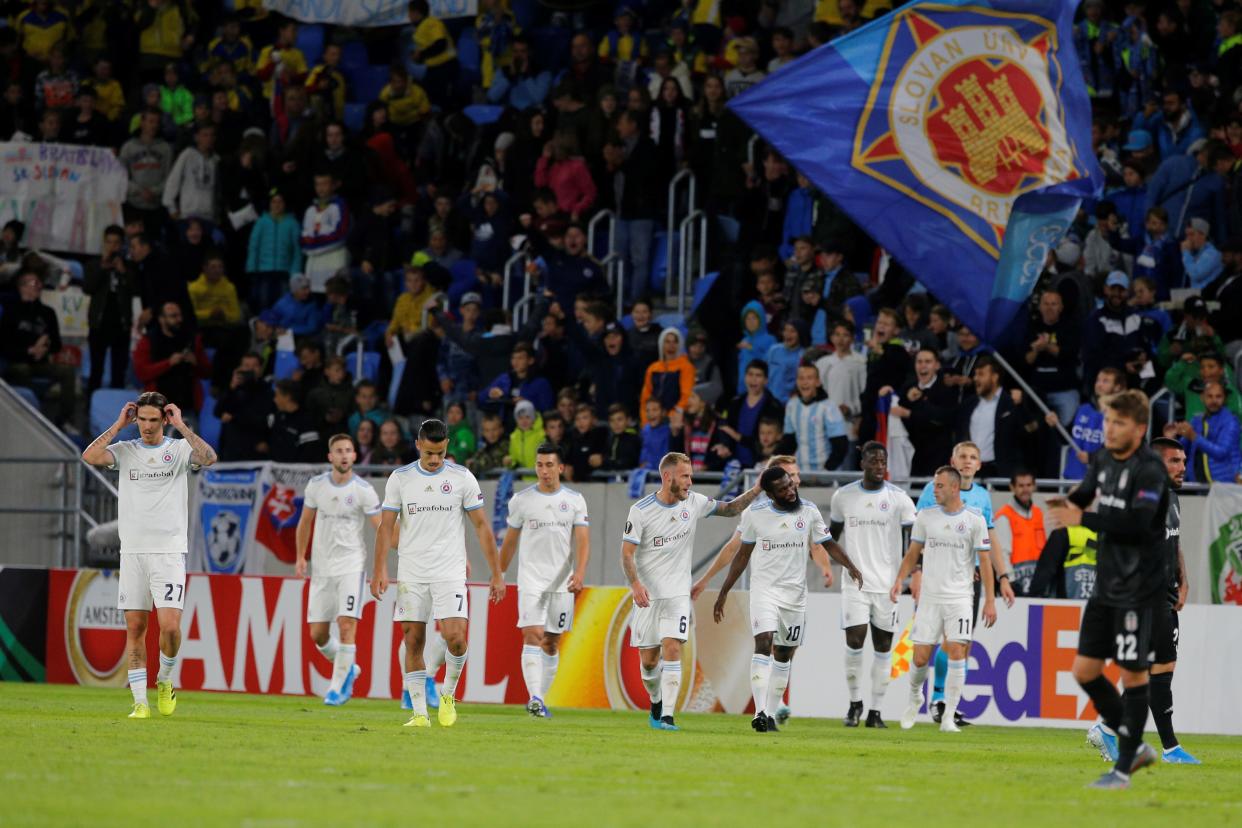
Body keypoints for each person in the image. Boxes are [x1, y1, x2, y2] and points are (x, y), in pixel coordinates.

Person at [1047, 390, 1169, 788]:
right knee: (1084, 671)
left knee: (1133, 676)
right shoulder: (1100, 458)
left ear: (1139, 428)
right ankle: (1134, 747)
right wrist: (1063, 504)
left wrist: (1084, 518)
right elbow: (1083, 495)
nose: (1109, 430)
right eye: (1106, 422)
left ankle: (1122, 770)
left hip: (1139, 589)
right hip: (1106, 585)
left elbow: (1137, 524)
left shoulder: (1150, 469)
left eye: (1118, 423)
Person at [80, 392, 217, 718]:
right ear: (135, 418)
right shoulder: (125, 451)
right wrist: (118, 424)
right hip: (133, 552)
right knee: (135, 628)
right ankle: (140, 702)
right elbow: (89, 455)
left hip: (168, 552)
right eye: (141, 419)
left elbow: (209, 457)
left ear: (164, 420)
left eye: (153, 420)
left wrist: (181, 426)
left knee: (169, 627)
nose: (147, 427)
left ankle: (165, 679)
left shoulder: (179, 450)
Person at [371, 419, 506, 728]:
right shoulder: (400, 478)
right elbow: (386, 526)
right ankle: (420, 714)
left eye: (441, 453)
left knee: (455, 638)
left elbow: (482, 527)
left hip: (450, 570)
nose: (435, 460)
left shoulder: (461, 478)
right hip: (412, 572)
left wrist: (496, 573)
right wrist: (379, 569)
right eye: (430, 453)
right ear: (418, 445)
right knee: (413, 640)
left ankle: (447, 695)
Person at [621, 452, 763, 730]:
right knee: (649, 665)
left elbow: (731, 508)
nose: (690, 482)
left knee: (673, 648)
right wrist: (635, 584)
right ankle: (656, 701)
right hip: (648, 598)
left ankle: (668, 716)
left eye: (691, 476)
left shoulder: (695, 502)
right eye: (685, 476)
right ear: (668, 476)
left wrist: (757, 489)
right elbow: (627, 554)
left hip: (676, 595)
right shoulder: (641, 510)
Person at [713, 465, 857, 733]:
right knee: (764, 641)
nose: (791, 491)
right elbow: (742, 556)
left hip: (795, 596)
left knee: (783, 654)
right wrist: (724, 591)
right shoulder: (755, 514)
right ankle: (759, 712)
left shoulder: (809, 511)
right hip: (764, 591)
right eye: (783, 489)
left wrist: (851, 566)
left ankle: (771, 711)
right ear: (769, 493)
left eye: (791, 485)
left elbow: (828, 544)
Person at [914, 440, 1016, 726]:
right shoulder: (932, 491)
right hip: (938, 578)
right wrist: (918, 572)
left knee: (962, 643)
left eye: (973, 457)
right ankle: (936, 699)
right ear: (953, 459)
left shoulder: (982, 497)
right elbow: (919, 534)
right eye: (962, 456)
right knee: (939, 643)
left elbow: (991, 540)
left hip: (968, 580)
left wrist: (1003, 576)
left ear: (979, 464)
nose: (967, 461)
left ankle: (947, 703)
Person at [891, 466, 995, 732]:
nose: (933, 490)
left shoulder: (975, 519)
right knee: (920, 658)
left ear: (953, 488)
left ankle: (948, 715)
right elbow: (913, 553)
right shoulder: (925, 517)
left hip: (960, 597)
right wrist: (898, 581)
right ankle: (915, 696)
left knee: (958, 650)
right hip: (930, 598)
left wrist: (990, 600)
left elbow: (985, 562)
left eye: (939, 486)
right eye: (934, 485)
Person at [829, 442, 917, 728]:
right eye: (874, 461)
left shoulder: (900, 499)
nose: (880, 466)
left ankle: (876, 711)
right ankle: (855, 704)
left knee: (883, 647)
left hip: (888, 586)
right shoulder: (843, 497)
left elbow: (915, 542)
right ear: (862, 463)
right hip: (855, 584)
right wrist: (823, 560)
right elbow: (832, 536)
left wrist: (912, 572)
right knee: (854, 641)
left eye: (883, 461)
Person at [499, 444, 590, 717]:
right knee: (532, 634)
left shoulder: (575, 500)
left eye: (549, 465)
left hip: (561, 582)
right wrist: (498, 575)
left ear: (560, 468)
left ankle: (541, 699)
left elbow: (583, 540)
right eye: (539, 465)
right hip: (531, 580)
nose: (544, 470)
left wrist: (581, 572)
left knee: (551, 642)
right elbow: (510, 543)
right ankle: (535, 698)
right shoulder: (522, 500)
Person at [1122, 437, 1198, 764]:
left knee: (1150, 671)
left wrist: (1183, 580)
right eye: (1175, 461)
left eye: (1183, 460)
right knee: (1161, 668)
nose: (1183, 467)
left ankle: (1110, 731)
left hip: (1166, 596)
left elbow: (1173, 542)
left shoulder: (1172, 499)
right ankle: (1170, 748)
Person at [295, 434, 381, 706]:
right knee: (318, 634)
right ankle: (348, 670)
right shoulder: (316, 486)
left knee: (346, 624)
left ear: (354, 456)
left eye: (348, 450)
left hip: (351, 566)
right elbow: (305, 523)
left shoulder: (364, 490)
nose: (344, 455)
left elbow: (381, 527)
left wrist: (382, 566)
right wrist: (300, 556)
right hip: (322, 569)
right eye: (339, 451)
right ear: (330, 457)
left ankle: (336, 688)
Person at [0, 270, 77, 427]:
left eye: (39, 283)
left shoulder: (47, 313)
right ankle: (29, 416)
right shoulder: (11, 312)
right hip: (17, 362)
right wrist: (29, 351)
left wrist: (45, 348)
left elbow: (57, 345)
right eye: (33, 283)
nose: (38, 286)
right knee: (22, 370)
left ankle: (64, 419)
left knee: (67, 371)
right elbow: (3, 346)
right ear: (22, 287)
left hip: (41, 363)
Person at [1167, 380, 1242, 482]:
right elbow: (1182, 451)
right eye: (1210, 396)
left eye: (1218, 396)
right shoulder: (1197, 420)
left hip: (1224, 484)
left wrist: (1194, 436)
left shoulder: (1231, 422)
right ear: (1202, 397)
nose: (1214, 400)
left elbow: (1221, 452)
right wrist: (1170, 439)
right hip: (1197, 483)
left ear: (1224, 399)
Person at [1058, 367, 1124, 480]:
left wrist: (1091, 458)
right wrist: (1055, 425)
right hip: (1075, 476)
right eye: (1098, 380)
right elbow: (1065, 438)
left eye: (1105, 381)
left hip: (1104, 479)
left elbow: (1119, 449)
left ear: (1118, 387)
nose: (1099, 384)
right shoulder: (1083, 408)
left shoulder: (1122, 414)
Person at [783, 362, 848, 472]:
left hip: (826, 473)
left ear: (817, 382)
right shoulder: (791, 406)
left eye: (809, 378)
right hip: (800, 473)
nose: (805, 382)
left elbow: (841, 446)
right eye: (801, 378)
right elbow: (789, 442)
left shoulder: (829, 407)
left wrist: (827, 471)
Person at [994, 471, 1045, 596]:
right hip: (1015, 585)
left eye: (1028, 485)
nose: (1025, 489)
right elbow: (1001, 553)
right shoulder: (1004, 516)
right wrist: (1010, 581)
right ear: (1012, 487)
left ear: (1034, 486)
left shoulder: (1038, 514)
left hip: (1036, 584)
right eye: (1021, 486)